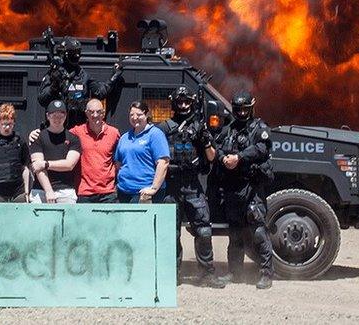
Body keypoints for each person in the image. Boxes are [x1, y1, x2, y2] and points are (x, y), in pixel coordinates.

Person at [157, 86, 221, 286]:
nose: (184, 105)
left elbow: (211, 158)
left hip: (193, 186)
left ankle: (207, 274)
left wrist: (205, 140)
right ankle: (171, 274)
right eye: (180, 101)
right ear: (174, 103)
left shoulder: (200, 127)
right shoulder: (164, 129)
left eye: (187, 101)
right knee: (170, 233)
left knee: (203, 231)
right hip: (172, 187)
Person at [214, 90, 274, 289]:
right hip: (234, 187)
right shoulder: (228, 129)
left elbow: (262, 149)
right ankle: (234, 272)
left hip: (252, 187)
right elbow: (219, 147)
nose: (241, 113)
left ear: (251, 107)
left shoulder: (260, 128)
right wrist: (224, 158)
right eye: (238, 109)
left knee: (257, 230)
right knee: (235, 233)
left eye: (244, 109)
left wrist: (239, 157)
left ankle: (266, 273)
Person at [28, 98, 120, 203]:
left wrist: (45, 164)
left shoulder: (114, 133)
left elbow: (119, 161)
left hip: (107, 192)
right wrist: (34, 134)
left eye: (98, 111)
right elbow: (37, 165)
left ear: (103, 113)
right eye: (91, 112)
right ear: (86, 113)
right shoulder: (77, 132)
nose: (95, 115)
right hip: (84, 191)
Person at [37, 36, 123, 128]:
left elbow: (100, 92)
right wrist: (54, 86)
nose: (76, 56)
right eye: (73, 53)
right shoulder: (54, 74)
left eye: (78, 53)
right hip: (57, 129)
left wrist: (114, 76)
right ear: (64, 54)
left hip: (78, 130)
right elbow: (42, 100)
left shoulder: (83, 75)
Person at [114, 101, 170, 204]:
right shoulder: (125, 137)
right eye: (132, 114)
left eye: (139, 114)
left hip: (144, 194)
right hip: (123, 192)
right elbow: (118, 164)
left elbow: (163, 163)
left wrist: (153, 189)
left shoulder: (155, 134)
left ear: (147, 114)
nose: (135, 118)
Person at [29, 100, 83, 203]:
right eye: (54, 115)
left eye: (61, 115)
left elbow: (69, 164)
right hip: (40, 191)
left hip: (65, 191)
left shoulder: (73, 139)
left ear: (66, 116)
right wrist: (48, 191)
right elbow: (37, 167)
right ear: (48, 116)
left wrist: (46, 164)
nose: (57, 119)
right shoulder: (37, 138)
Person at [0, 104, 31, 202]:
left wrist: (26, 192)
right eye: (4, 124)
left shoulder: (20, 140)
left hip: (17, 192)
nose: (7, 127)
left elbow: (25, 167)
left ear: (14, 123)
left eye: (10, 124)